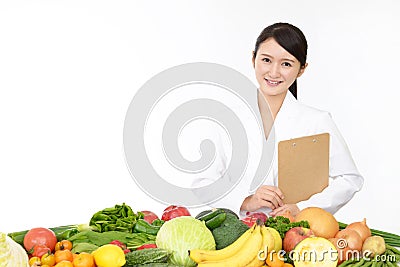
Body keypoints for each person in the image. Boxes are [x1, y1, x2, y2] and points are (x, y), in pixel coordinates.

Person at [236, 22, 364, 217]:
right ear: (253, 59)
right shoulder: (230, 119)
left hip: (298, 236)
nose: (274, 72)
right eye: (266, 60)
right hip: (240, 235)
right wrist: (246, 201)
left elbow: (349, 179)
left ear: (301, 69)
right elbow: (204, 183)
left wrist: (303, 208)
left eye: (286, 64)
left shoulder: (317, 121)